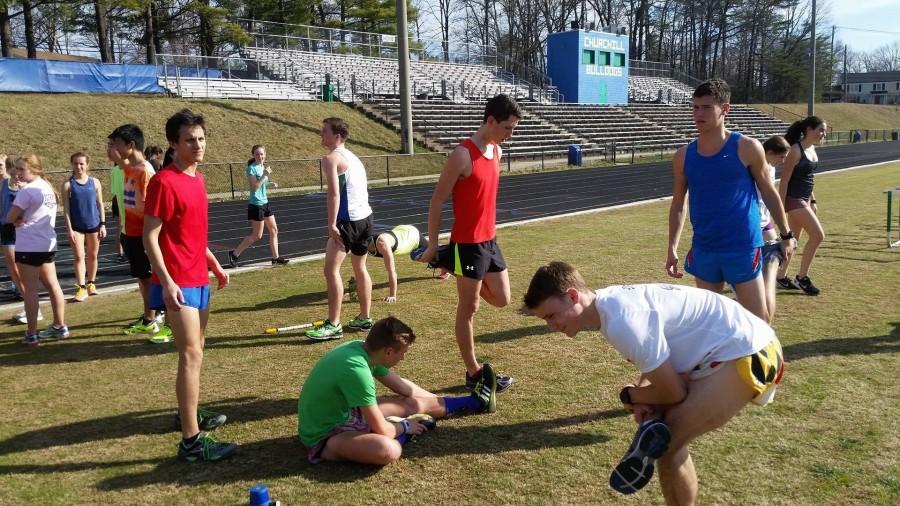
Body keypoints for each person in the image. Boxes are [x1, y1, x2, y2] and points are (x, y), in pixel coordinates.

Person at [523, 261, 785, 503]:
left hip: (748, 351)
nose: (551, 327)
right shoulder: (610, 304)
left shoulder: (622, 321)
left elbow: (674, 392)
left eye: (550, 316)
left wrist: (630, 396)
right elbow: (654, 360)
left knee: (667, 445)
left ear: (572, 296)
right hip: (734, 348)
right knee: (663, 433)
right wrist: (643, 393)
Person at [143, 108, 235, 462]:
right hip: (177, 280)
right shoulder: (164, 182)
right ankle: (191, 441)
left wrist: (214, 264)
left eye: (201, 139)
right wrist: (165, 283)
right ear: (173, 143)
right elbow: (151, 238)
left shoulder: (198, 178)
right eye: (189, 140)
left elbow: (193, 234)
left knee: (198, 349)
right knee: (190, 354)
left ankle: (188, 415)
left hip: (199, 276)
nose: (197, 145)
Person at [666, 79, 796, 322]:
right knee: (711, 320)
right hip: (705, 248)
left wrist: (786, 235)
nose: (698, 113)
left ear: (725, 109)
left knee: (759, 321)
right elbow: (677, 205)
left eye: (706, 107)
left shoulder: (747, 148)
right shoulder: (684, 156)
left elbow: (769, 192)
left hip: (743, 247)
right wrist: (672, 248)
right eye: (695, 107)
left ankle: (763, 360)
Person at [416, 94, 519, 393]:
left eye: (514, 128)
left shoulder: (496, 151)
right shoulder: (463, 155)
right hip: (467, 244)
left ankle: (449, 263)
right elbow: (437, 201)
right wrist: (433, 245)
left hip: (490, 240)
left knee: (502, 298)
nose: (510, 134)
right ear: (490, 121)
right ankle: (473, 373)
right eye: (507, 128)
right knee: (469, 307)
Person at [298, 316, 497, 465]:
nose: (403, 358)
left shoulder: (363, 349)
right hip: (325, 436)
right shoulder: (357, 371)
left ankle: (476, 401)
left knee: (411, 402)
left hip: (345, 415)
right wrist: (405, 427)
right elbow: (382, 430)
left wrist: (434, 401)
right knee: (388, 449)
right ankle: (405, 435)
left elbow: (404, 388)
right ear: (389, 351)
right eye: (403, 353)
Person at [305, 117, 374, 340]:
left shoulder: (331, 158)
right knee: (360, 268)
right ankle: (365, 318)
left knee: (331, 270)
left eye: (324, 131)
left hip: (348, 221)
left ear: (337, 135)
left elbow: (334, 194)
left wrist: (332, 224)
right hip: (365, 218)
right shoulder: (353, 157)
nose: (320, 134)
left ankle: (333, 324)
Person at [6, 155, 70, 346]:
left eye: (21, 169)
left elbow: (10, 217)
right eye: (16, 168)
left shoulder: (28, 190)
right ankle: (60, 325)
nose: (17, 172)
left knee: (31, 290)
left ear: (33, 169)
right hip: (46, 244)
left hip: (29, 245)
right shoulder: (46, 186)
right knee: (53, 285)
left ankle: (32, 334)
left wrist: (17, 217)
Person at [109, 124, 160, 335]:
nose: (113, 148)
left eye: (117, 144)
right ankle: (149, 316)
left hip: (141, 234)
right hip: (130, 232)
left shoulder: (145, 172)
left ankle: (156, 318)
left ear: (130, 145)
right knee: (142, 277)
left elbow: (152, 208)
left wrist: (149, 239)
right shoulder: (131, 169)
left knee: (149, 278)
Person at [776, 116, 828, 296]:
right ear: (808, 129)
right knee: (818, 235)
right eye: (821, 130)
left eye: (825, 130)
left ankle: (780, 276)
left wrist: (812, 200)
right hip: (793, 199)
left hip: (804, 199)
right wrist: (781, 207)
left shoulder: (812, 149)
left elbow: (809, 179)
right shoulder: (795, 151)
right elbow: (784, 182)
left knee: (793, 242)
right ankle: (802, 277)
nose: (824, 133)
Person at [227, 144, 289, 267]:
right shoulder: (251, 169)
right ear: (253, 155)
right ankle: (234, 254)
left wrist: (271, 184)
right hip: (256, 205)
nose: (260, 156)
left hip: (265, 203)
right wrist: (265, 175)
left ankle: (275, 258)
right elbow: (255, 187)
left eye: (261, 154)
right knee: (257, 235)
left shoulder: (262, 167)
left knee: (274, 230)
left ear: (265, 155)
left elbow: (262, 185)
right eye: (257, 154)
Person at [61, 152, 106, 302]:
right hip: (77, 227)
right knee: (79, 257)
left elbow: (100, 204)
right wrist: (69, 229)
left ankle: (91, 283)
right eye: (75, 163)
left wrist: (103, 224)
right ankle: (81, 287)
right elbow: (66, 210)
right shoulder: (68, 185)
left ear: (87, 165)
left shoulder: (95, 182)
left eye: (81, 163)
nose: (79, 166)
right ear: (72, 164)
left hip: (94, 225)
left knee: (93, 256)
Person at [757, 136, 791, 322]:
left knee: (782, 252)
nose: (783, 161)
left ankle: (766, 286)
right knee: (769, 258)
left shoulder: (771, 166)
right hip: (755, 222)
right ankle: (756, 297)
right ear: (769, 152)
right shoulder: (757, 166)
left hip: (765, 219)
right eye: (781, 157)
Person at [367, 224, 430, 303]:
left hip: (412, 235)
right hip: (400, 231)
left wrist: (392, 295)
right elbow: (361, 267)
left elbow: (391, 271)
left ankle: (445, 259)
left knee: (430, 257)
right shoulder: (362, 244)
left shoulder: (382, 244)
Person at [107, 143, 126, 263]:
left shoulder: (114, 170)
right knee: (121, 227)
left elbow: (113, 190)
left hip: (118, 199)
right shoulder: (116, 170)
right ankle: (120, 251)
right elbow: (115, 190)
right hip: (121, 200)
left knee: (120, 227)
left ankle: (120, 252)